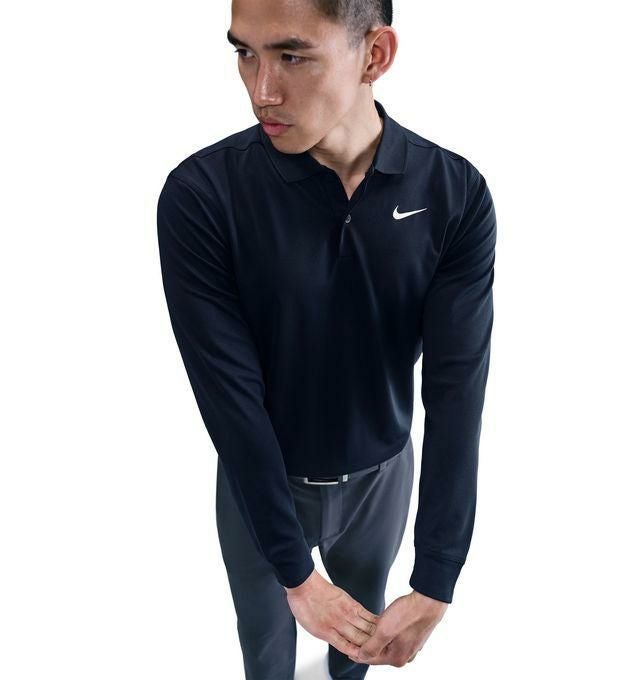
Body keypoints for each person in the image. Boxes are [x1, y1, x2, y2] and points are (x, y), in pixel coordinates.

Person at [156, 0, 496, 677]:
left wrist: (437, 575)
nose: (262, 90)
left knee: (358, 650)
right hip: (260, 479)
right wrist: (294, 569)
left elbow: (457, 392)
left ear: (375, 55)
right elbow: (230, 400)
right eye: (244, 53)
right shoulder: (203, 195)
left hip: (382, 476)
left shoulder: (453, 193)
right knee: (266, 648)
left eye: (292, 56)